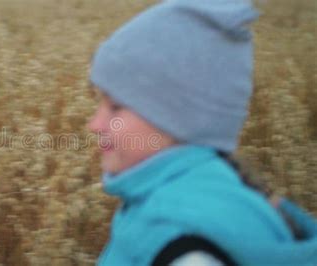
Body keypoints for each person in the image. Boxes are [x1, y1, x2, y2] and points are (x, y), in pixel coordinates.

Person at [86, 0, 317, 265]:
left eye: (115, 107)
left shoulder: (181, 245)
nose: (95, 124)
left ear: (178, 118)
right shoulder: (211, 188)